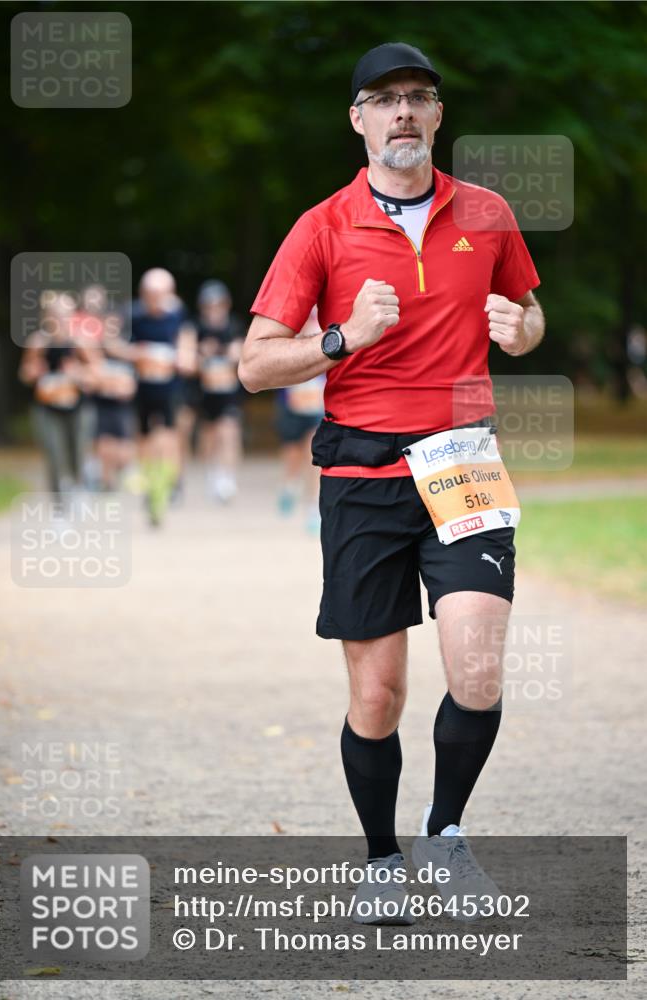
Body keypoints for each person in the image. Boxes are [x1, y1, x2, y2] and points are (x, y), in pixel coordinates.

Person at [240, 42, 544, 923]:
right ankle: (380, 858)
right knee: (378, 693)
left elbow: (527, 312)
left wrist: (521, 331)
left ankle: (444, 836)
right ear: (358, 120)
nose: (402, 112)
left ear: (438, 115)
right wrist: (340, 339)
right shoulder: (321, 227)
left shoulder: (486, 213)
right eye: (384, 100)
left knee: (477, 666)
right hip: (362, 471)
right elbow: (255, 366)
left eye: (417, 97)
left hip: (462, 461)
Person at [112, 268, 196, 524]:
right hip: (143, 389)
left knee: (170, 437)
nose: (154, 298)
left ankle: (170, 482)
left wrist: (183, 358)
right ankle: (151, 486)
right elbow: (112, 344)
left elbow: (188, 351)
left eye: (160, 293)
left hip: (171, 389)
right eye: (150, 294)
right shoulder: (133, 315)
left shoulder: (179, 316)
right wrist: (135, 353)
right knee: (145, 439)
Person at [19, 290, 96, 498]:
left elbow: (96, 374)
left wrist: (78, 374)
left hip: (77, 407)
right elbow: (25, 374)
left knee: (77, 451)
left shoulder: (81, 343)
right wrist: (33, 373)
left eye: (65, 314)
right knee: (53, 453)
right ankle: (59, 502)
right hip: (47, 408)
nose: (60, 320)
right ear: (47, 316)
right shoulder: (38, 342)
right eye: (55, 314)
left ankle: (79, 485)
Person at [275, 307, 325, 532]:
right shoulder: (286, 332)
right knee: (293, 453)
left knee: (313, 453)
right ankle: (290, 485)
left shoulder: (327, 331)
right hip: (291, 402)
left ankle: (313, 506)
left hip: (316, 404)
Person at [195, 280, 245, 502]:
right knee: (209, 434)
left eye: (218, 305)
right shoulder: (197, 328)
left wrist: (234, 352)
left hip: (229, 392)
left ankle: (227, 476)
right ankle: (211, 472)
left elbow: (242, 351)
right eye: (210, 306)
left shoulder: (233, 326)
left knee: (229, 431)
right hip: (205, 392)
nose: (214, 310)